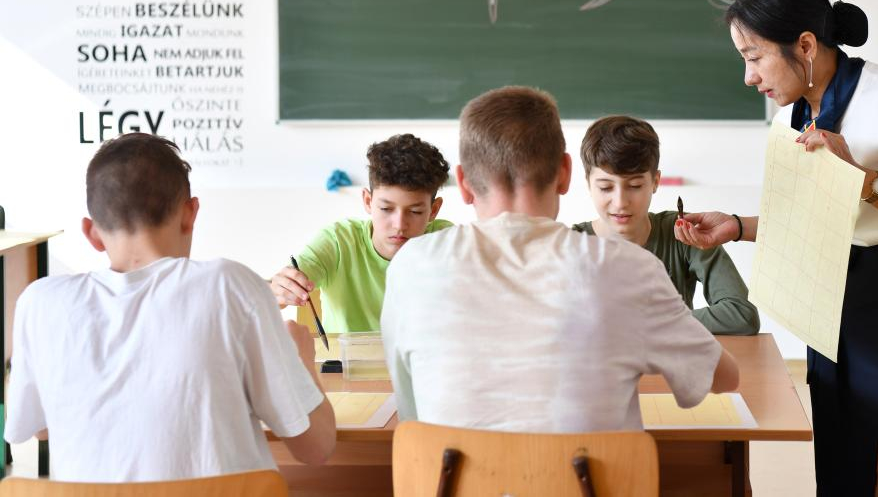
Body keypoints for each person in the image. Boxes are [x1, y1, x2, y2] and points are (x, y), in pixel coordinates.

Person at [676, 0, 878, 496]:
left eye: (753, 57)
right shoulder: (790, 118)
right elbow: (819, 217)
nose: (748, 78)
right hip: (834, 306)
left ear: (806, 45)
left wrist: (862, 179)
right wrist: (738, 227)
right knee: (841, 473)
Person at [382, 86, 739, 432]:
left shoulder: (410, 266)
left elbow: (410, 408)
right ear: (566, 174)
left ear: (461, 183)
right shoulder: (629, 269)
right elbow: (725, 378)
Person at [4, 133, 335, 482]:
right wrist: (302, 361)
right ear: (190, 214)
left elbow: (41, 430)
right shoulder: (231, 286)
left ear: (92, 233)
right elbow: (315, 447)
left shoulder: (40, 304)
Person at [572, 115, 759, 335]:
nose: (621, 202)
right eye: (605, 187)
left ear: (655, 182)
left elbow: (741, 315)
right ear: (588, 183)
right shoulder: (571, 244)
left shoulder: (683, 234)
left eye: (635, 185)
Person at [271, 133, 451, 332]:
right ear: (368, 201)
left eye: (415, 211)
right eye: (386, 209)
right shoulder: (339, 242)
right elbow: (273, 296)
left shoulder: (448, 243)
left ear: (433, 210)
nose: (399, 224)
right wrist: (279, 290)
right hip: (347, 362)